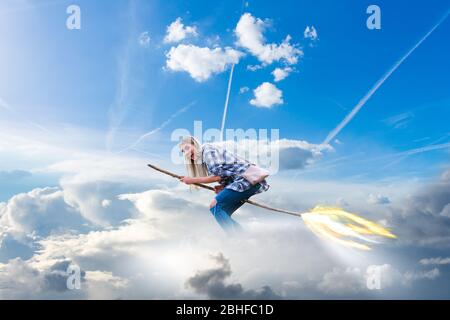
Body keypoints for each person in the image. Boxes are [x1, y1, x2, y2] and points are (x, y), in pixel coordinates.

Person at [179, 136, 269, 234]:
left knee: (215, 206)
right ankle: (244, 237)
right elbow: (227, 173)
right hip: (247, 182)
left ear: (195, 144)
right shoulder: (205, 157)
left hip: (246, 180)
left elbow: (218, 176)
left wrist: (192, 180)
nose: (187, 153)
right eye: (183, 151)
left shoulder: (207, 150)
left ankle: (235, 240)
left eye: (187, 148)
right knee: (222, 212)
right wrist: (224, 187)